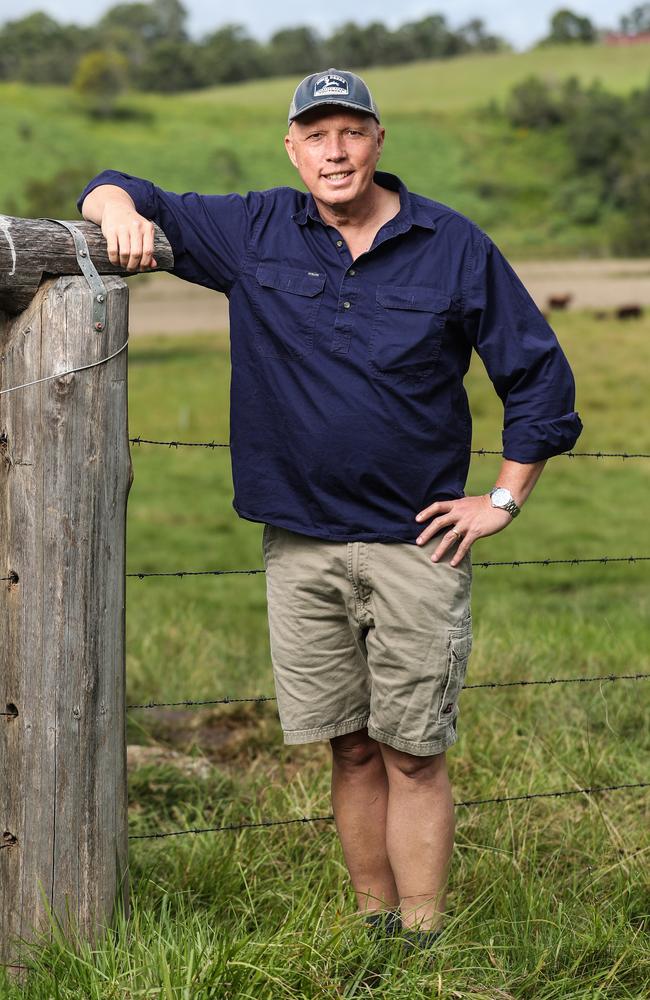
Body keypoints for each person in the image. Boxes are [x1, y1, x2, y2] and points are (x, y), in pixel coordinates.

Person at [78, 68, 582, 950]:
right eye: (316, 134)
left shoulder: (454, 246)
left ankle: (425, 940)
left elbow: (538, 375)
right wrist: (114, 211)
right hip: (299, 546)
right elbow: (126, 185)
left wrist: (501, 498)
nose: (335, 150)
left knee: (413, 752)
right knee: (348, 746)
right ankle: (374, 928)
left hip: (417, 545)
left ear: (379, 140)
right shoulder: (257, 228)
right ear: (292, 147)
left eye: (351, 131)